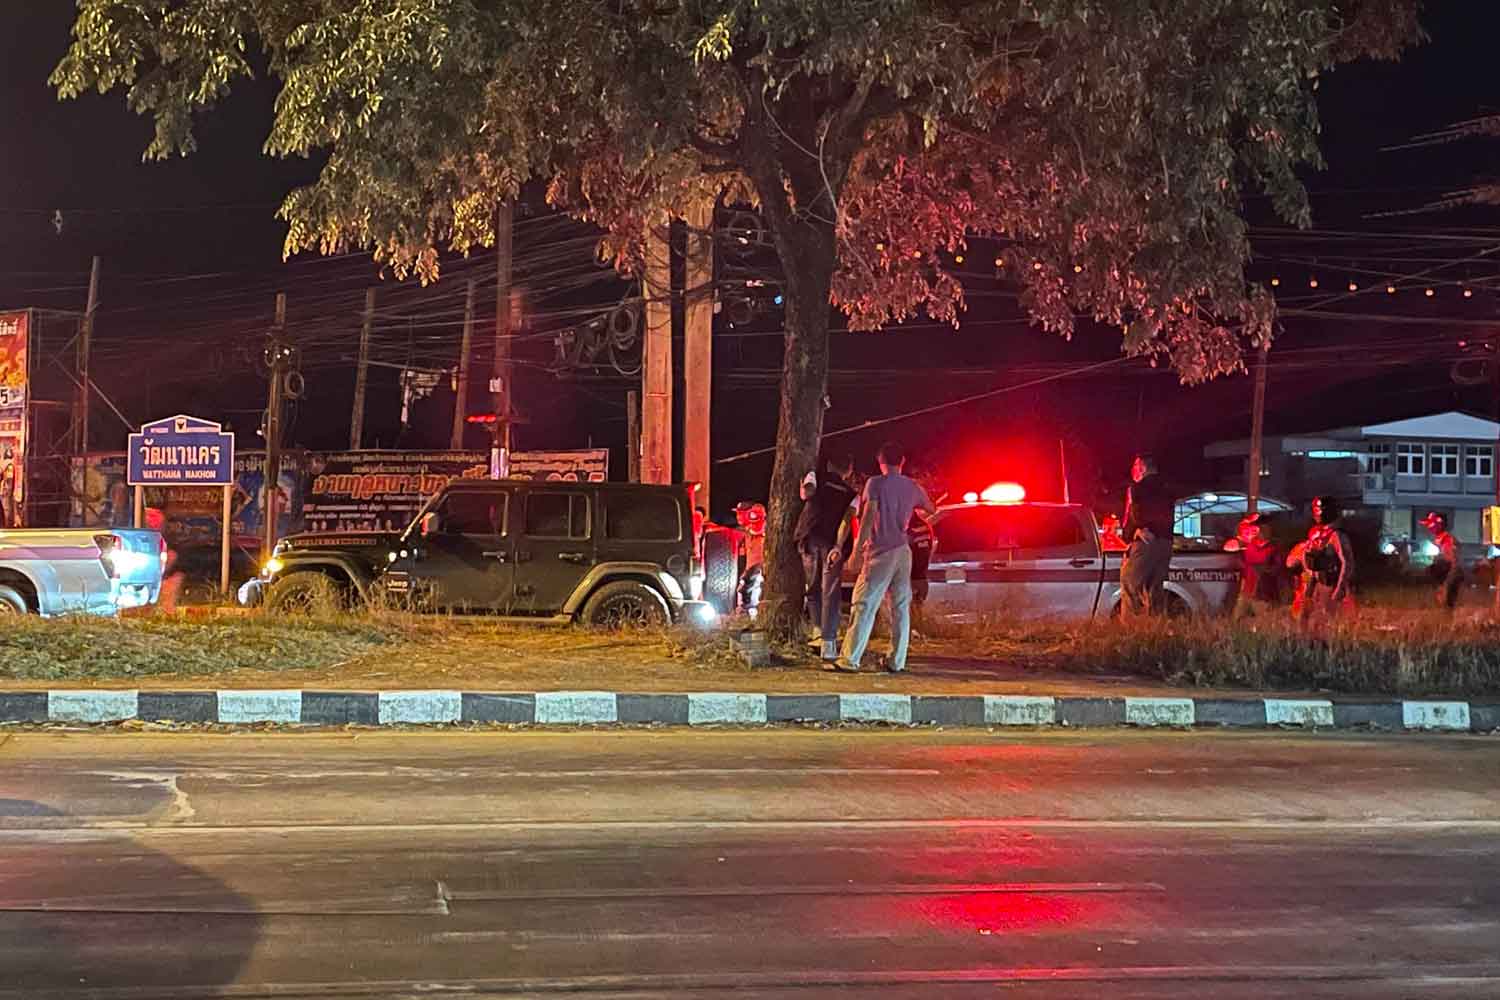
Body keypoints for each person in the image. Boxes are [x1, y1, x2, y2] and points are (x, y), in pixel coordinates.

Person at [831, 442, 934, 673]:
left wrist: (857, 552)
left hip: (880, 551)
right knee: (900, 607)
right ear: (902, 461)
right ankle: (897, 661)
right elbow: (931, 509)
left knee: (864, 603)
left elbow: (867, 517)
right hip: (903, 552)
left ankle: (849, 659)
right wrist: (907, 513)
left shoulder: (875, 484)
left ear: (880, 461)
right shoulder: (912, 486)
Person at [795, 455, 858, 659]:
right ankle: (828, 645)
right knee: (830, 591)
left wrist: (801, 487)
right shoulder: (851, 494)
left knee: (812, 587)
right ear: (848, 470)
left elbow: (807, 493)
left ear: (829, 465)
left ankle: (817, 631)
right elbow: (847, 520)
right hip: (833, 545)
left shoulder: (816, 476)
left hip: (810, 537)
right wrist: (839, 545)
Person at [1119, 454, 1173, 617]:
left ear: (1142, 468)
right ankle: (1155, 630)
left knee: (1130, 584)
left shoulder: (1138, 488)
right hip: (1165, 543)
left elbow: (1136, 514)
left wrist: (1135, 530)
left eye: (1135, 466)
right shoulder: (1167, 488)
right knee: (1155, 589)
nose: (1132, 470)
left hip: (1146, 542)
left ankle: (1132, 630)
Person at [1294, 495, 1354, 625]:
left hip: (1329, 583)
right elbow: (1307, 555)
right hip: (1312, 583)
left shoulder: (1337, 535)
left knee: (1325, 621)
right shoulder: (1315, 532)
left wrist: (1340, 588)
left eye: (1319, 510)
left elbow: (1347, 562)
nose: (1317, 514)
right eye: (1315, 510)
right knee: (1303, 618)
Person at [1232, 513, 1282, 619]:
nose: (1264, 530)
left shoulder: (1273, 549)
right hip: (1246, 591)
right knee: (1238, 619)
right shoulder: (1248, 546)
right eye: (1261, 527)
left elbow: (1277, 569)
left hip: (1264, 595)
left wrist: (1264, 569)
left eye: (1267, 527)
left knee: (1264, 622)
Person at [1421, 511, 1463, 611]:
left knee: (1447, 603)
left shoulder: (1447, 538)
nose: (1429, 527)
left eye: (1432, 524)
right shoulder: (1438, 539)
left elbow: (1452, 558)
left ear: (1440, 525)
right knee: (1442, 601)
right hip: (1444, 574)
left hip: (1450, 573)